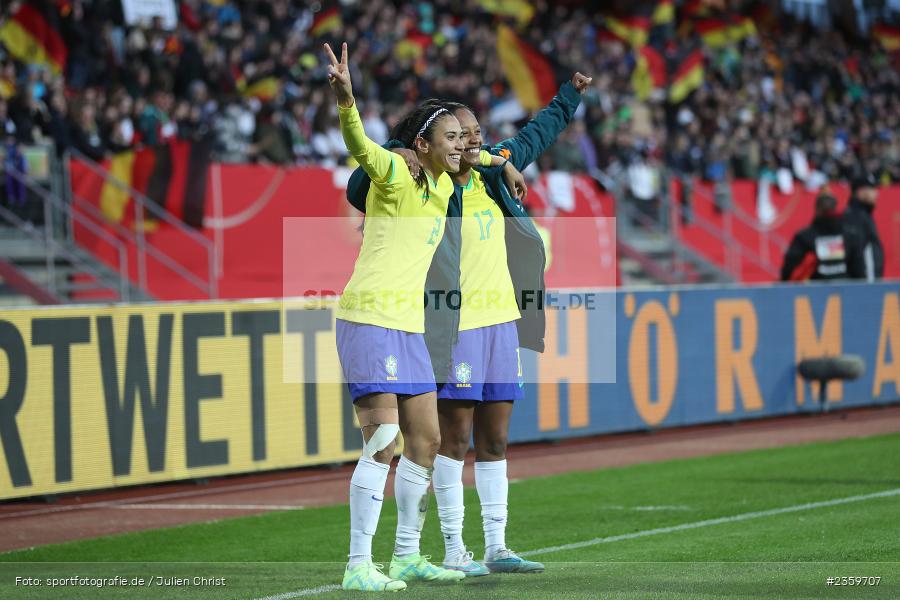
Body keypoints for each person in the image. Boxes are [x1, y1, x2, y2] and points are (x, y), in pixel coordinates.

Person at [347, 72, 592, 576]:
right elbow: (359, 181)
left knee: (495, 440)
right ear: (433, 143)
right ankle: (453, 547)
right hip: (452, 325)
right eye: (458, 132)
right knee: (448, 440)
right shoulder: (427, 183)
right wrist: (402, 145)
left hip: (503, 322)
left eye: (474, 131)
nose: (471, 139)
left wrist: (568, 99)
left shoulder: (490, 174)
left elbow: (533, 137)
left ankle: (496, 546)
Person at [324, 42, 469, 592]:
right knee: (383, 442)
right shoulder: (395, 175)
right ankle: (359, 565)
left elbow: (478, 158)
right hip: (369, 318)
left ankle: (407, 555)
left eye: (461, 138)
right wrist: (346, 100)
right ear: (422, 144)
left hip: (408, 327)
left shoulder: (441, 191)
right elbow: (361, 148)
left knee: (426, 439)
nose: (459, 145)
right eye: (449, 137)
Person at [780, 192, 866, 281]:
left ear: (817, 210)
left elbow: (788, 272)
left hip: (812, 292)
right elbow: (860, 273)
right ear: (835, 208)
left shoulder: (804, 237)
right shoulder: (850, 236)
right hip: (846, 291)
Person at [842, 172, 884, 281]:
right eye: (872, 189)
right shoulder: (857, 217)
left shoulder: (861, 215)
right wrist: (871, 286)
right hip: (865, 287)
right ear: (860, 192)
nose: (876, 194)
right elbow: (862, 255)